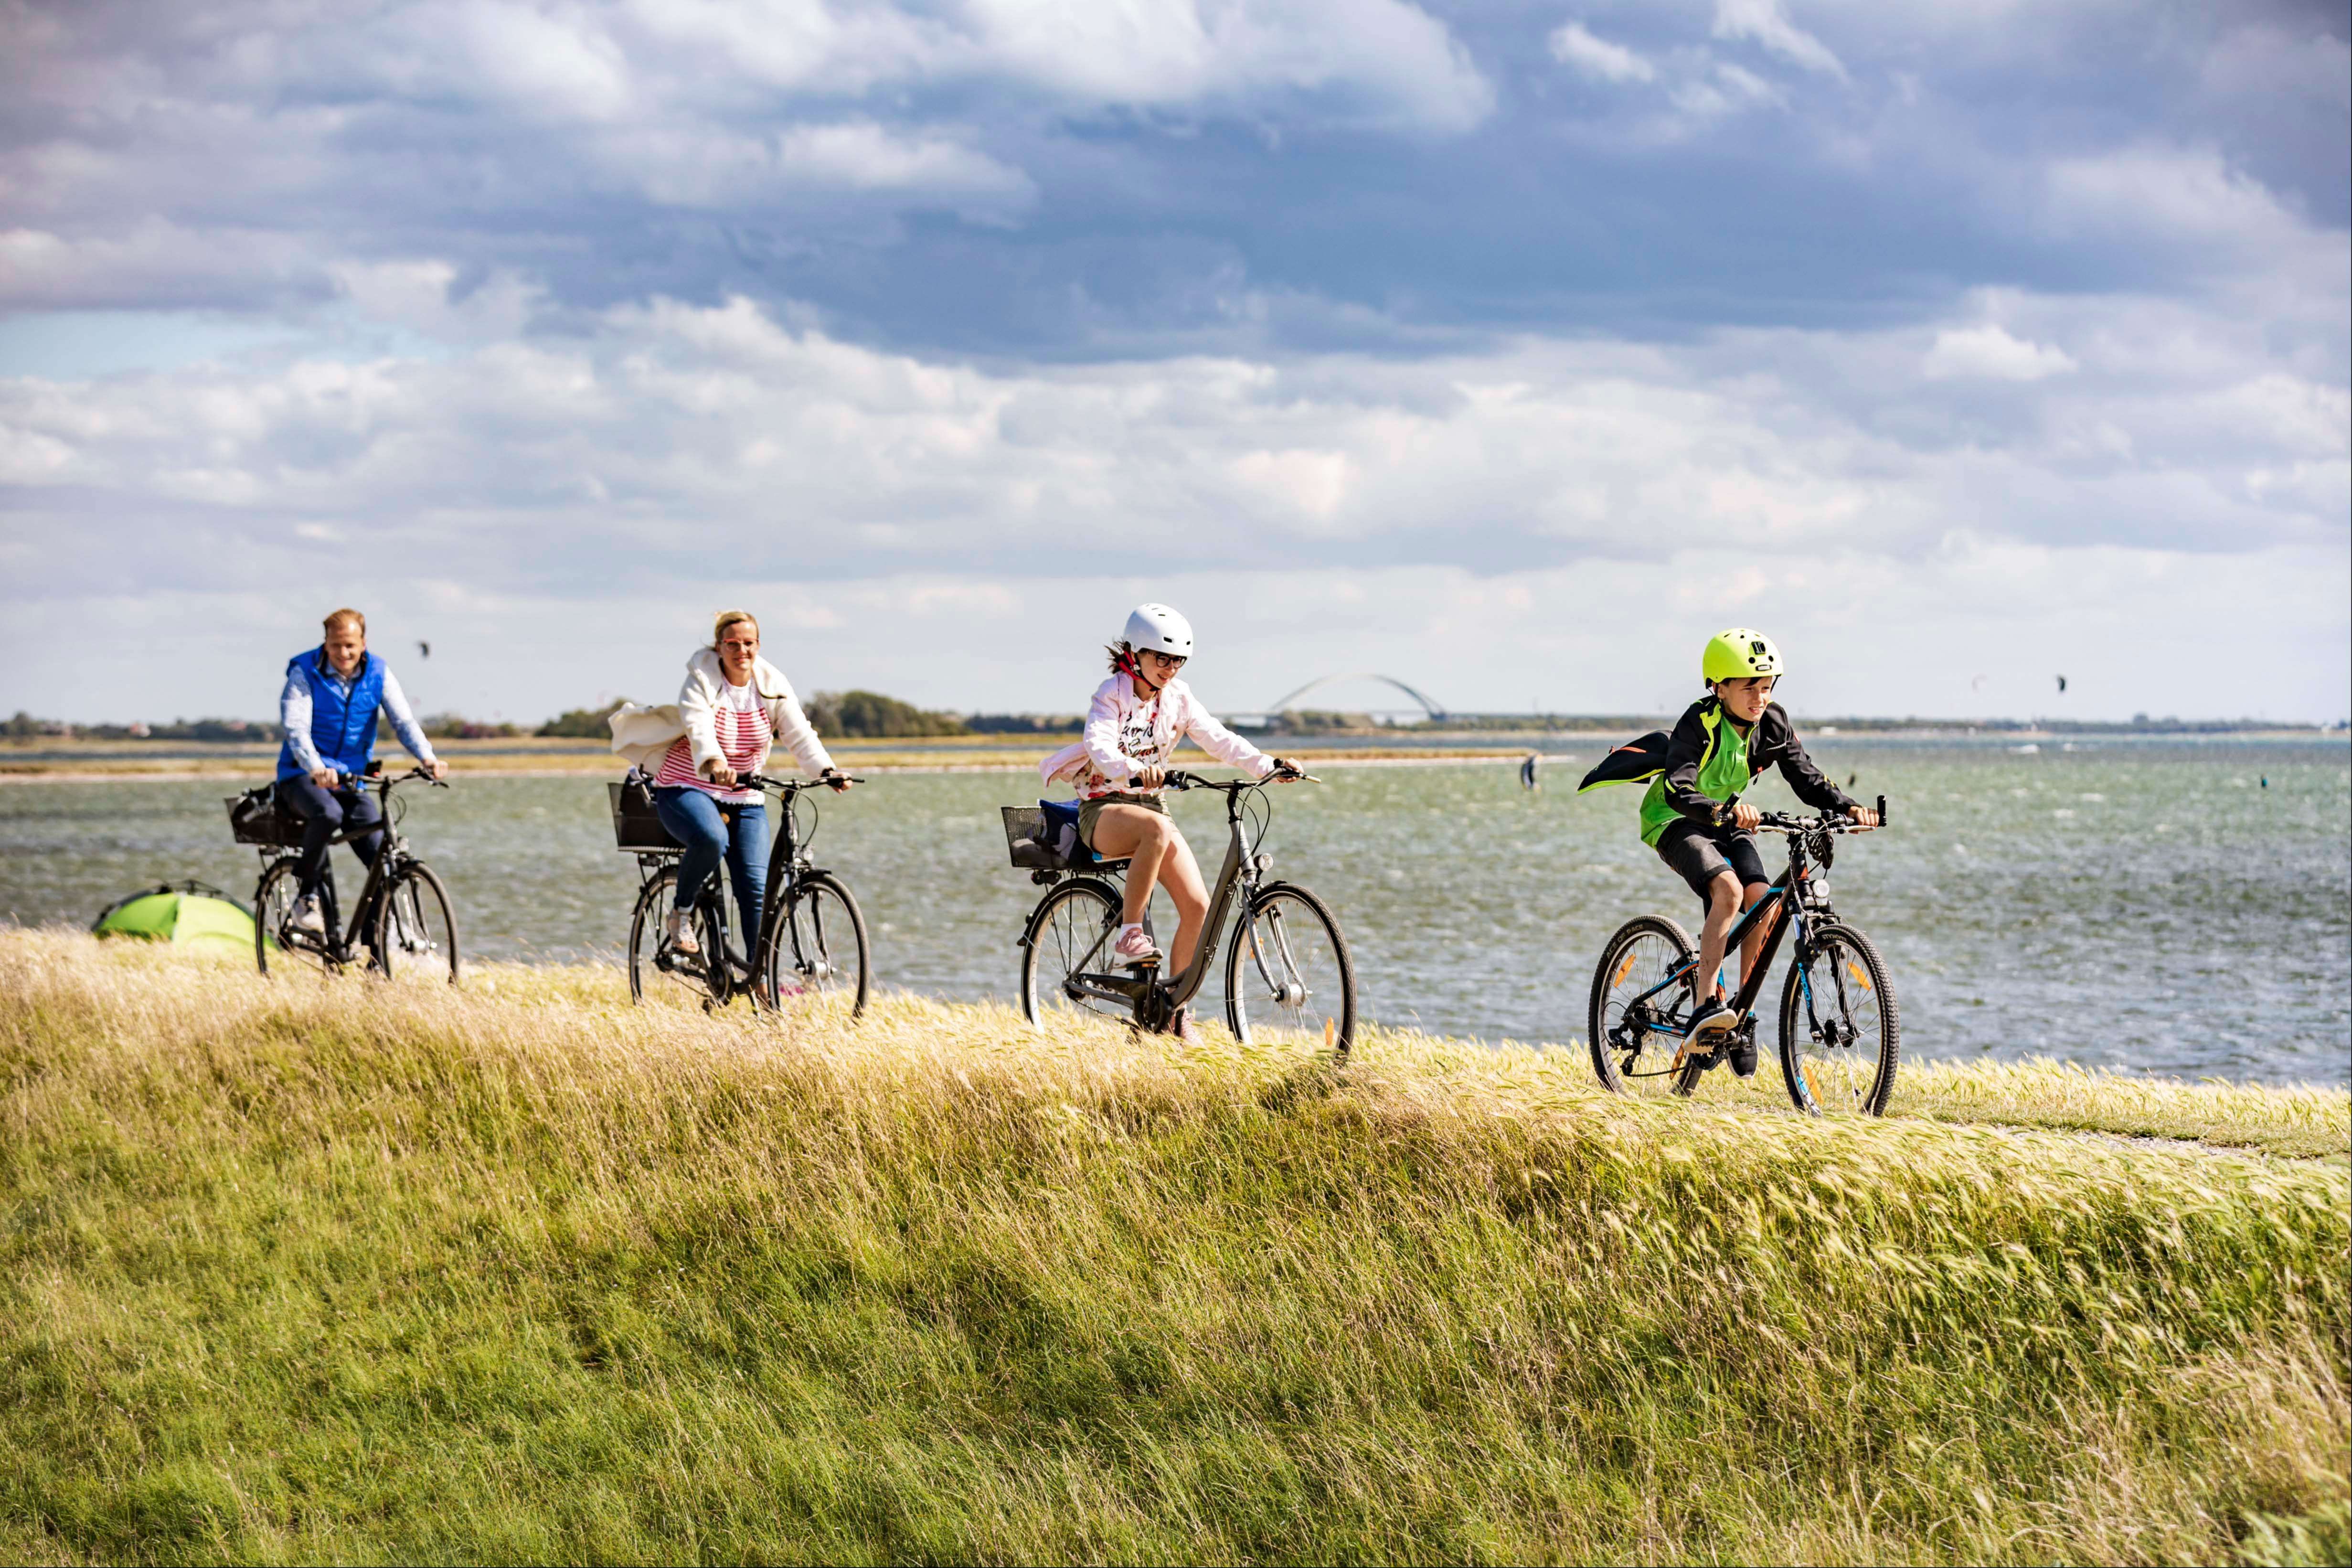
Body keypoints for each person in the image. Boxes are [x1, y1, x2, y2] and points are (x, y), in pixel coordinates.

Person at [1039, 603, 1298, 1040]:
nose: (1170, 668)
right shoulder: (1112, 693)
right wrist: (1133, 769)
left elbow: (1218, 738)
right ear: (1134, 654)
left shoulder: (1179, 698)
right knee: (1155, 830)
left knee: (1199, 907)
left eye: (1178, 660)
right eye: (1162, 658)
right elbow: (1099, 746)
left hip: (1152, 807)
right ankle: (1130, 933)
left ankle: (1175, 1014)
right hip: (1104, 807)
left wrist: (1267, 764)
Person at [1639, 628, 1876, 1072]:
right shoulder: (1699, 721)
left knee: (1763, 903)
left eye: (1766, 686)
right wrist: (1718, 810)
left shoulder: (1771, 722)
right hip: (1676, 820)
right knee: (1728, 891)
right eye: (1749, 686)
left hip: (1733, 819)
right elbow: (1677, 786)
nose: (1759, 696)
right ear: (1719, 686)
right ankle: (1706, 1004)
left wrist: (1850, 808)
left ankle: (1741, 1015)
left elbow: (1805, 776)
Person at [649, 610, 851, 960]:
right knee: (712, 839)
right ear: (719, 646)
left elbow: (799, 733)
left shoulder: (772, 685)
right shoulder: (701, 680)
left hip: (744, 794)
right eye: (732, 643)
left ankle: (759, 979)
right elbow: (698, 725)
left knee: (757, 890)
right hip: (689, 784)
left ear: (758, 645)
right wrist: (714, 762)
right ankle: (681, 913)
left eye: (748, 643)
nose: (741, 650)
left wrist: (826, 770)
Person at [275, 608, 447, 933]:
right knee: (327, 814)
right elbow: (296, 729)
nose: (344, 653)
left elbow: (403, 721)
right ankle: (307, 896)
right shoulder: (304, 672)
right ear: (326, 643)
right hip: (301, 775)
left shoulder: (379, 673)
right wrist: (316, 767)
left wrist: (428, 757)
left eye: (350, 645)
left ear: (363, 643)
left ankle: (374, 949)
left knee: (383, 860)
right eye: (336, 645)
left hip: (352, 780)